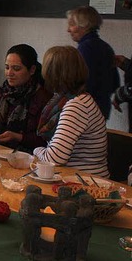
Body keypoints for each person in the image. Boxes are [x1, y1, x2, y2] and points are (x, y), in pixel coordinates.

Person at [33, 46, 108, 177]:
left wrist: (36, 150)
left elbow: (54, 159)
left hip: (86, 184)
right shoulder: (76, 99)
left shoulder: (76, 106)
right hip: (75, 177)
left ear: (52, 74)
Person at [0, 44, 52, 152]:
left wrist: (18, 137)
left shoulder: (43, 97)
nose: (9, 73)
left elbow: (44, 140)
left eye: (16, 69)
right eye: (7, 67)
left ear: (32, 70)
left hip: (26, 157)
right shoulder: (3, 92)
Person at [66, 6, 119, 119]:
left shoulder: (86, 48)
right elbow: (115, 83)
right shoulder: (105, 46)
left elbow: (82, 85)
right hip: (102, 108)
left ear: (84, 25)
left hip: (87, 112)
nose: (68, 30)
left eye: (71, 24)